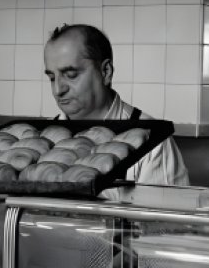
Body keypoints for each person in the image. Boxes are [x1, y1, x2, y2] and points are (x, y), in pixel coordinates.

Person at [43, 23, 189, 187]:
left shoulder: (153, 143)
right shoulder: (40, 139)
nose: (58, 90)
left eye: (71, 75)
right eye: (52, 78)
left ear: (106, 72)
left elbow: (161, 211)